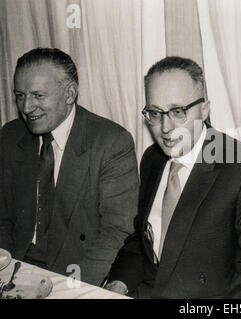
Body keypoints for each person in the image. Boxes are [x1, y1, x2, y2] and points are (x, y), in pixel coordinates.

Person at [106, 56, 241, 298]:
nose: (166, 128)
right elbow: (143, 240)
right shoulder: (152, 159)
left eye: (178, 111)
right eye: (155, 113)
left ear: (205, 109)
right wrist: (118, 283)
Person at [0, 48, 139, 286]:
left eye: (38, 95)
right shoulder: (10, 136)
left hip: (74, 275)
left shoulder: (111, 142)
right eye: (20, 95)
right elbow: (2, 216)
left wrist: (70, 288)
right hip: (15, 268)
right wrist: (5, 270)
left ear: (69, 94)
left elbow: (116, 231)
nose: (26, 107)